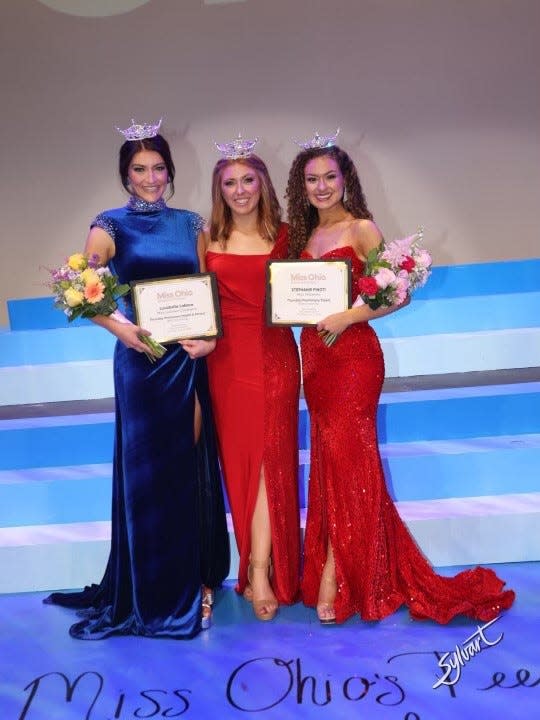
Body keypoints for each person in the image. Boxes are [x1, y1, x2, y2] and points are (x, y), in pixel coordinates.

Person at [286, 133, 515, 625]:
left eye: (329, 176)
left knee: (352, 463)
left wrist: (347, 318)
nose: (321, 186)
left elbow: (398, 295)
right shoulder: (302, 238)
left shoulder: (361, 228)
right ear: (301, 186)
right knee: (329, 461)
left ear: (345, 179)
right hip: (315, 360)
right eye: (312, 179)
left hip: (351, 359)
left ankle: (338, 575)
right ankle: (345, 567)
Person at [44, 120, 230, 639]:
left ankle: (193, 580)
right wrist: (120, 328)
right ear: (126, 175)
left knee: (187, 468)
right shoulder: (110, 224)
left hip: (187, 357)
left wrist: (211, 339)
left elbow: (206, 289)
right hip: (142, 361)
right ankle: (152, 590)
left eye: (158, 168)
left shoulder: (192, 222)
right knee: (147, 478)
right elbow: (80, 286)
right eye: (139, 169)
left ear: (170, 171)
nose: (150, 178)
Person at [205, 138, 301, 621]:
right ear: (218, 190)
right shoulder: (206, 239)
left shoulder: (288, 236)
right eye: (229, 183)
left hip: (275, 355)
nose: (240, 190)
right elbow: (194, 303)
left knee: (269, 461)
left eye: (248, 180)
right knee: (239, 463)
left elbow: (311, 293)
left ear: (263, 184)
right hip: (223, 361)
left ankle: (260, 571)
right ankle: (251, 564)